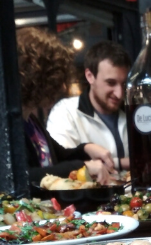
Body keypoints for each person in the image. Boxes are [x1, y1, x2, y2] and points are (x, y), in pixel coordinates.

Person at [15, 27, 116, 185]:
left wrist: (85, 149)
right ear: (34, 77)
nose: (62, 87)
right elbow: (22, 177)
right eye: (53, 78)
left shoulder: (30, 120)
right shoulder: (1, 123)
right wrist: (82, 166)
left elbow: (60, 156)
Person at [47, 40, 132, 178]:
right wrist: (123, 163)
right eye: (111, 83)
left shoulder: (132, 112)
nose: (119, 93)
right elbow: (63, 168)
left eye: (124, 84)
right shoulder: (65, 112)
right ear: (90, 76)